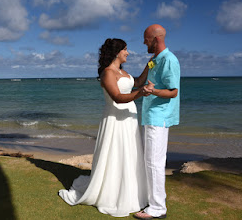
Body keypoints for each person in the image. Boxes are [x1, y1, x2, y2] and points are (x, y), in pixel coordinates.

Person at [59, 38, 153, 217]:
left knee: (130, 153)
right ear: (117, 52)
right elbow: (117, 97)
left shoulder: (122, 72)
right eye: (125, 50)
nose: (128, 53)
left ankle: (132, 191)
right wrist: (140, 93)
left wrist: (149, 65)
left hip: (129, 119)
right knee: (116, 153)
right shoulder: (108, 73)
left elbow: (139, 81)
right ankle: (113, 193)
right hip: (115, 120)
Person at [134, 24, 180, 220]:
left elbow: (173, 91)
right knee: (150, 161)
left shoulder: (169, 60)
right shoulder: (154, 59)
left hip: (158, 117)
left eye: (146, 38)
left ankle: (157, 208)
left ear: (156, 39)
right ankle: (153, 201)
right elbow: (139, 81)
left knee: (154, 163)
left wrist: (152, 91)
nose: (144, 42)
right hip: (150, 116)